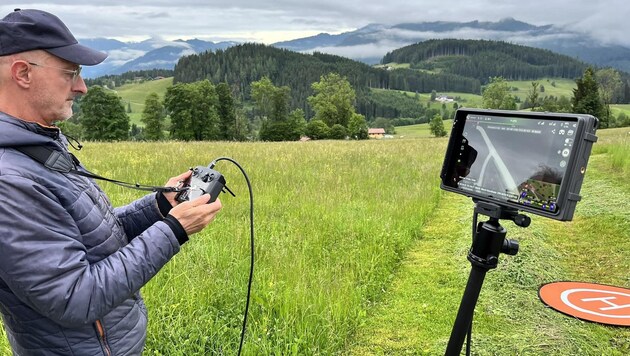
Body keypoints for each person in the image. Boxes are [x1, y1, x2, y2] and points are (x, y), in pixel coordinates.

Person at [0, 9, 222, 355]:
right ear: (23, 73)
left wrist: (160, 206)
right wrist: (174, 230)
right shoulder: (9, 180)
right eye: (70, 73)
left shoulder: (40, 144)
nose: (82, 87)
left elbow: (92, 236)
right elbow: (75, 296)